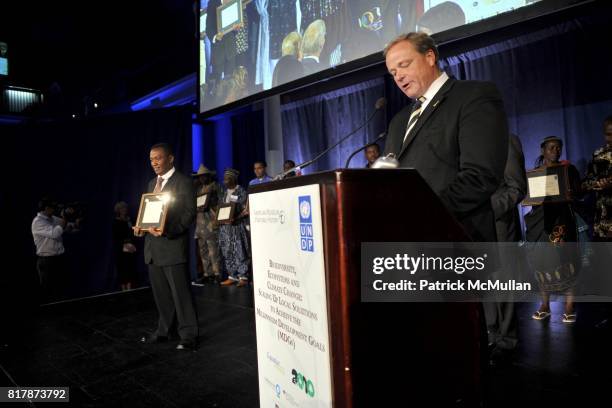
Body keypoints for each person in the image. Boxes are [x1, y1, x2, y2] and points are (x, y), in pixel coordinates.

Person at [383, 32, 508, 242]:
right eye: (393, 72)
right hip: (408, 250)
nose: (398, 77)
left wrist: (424, 216)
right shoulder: (399, 120)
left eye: (404, 65)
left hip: (457, 243)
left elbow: (480, 176)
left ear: (430, 57)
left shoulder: (473, 96)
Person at [133, 143, 198, 350]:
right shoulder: (152, 182)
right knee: (161, 295)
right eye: (152, 159)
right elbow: (149, 213)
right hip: (153, 249)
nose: (154, 163)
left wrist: (170, 230)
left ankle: (189, 335)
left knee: (181, 295)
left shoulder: (184, 182)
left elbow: (189, 213)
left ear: (170, 158)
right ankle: (165, 331)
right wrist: (141, 226)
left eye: (158, 158)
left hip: (172, 246)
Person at [525, 136, 582, 324]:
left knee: (567, 261)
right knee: (541, 263)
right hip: (540, 222)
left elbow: (577, 192)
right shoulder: (535, 173)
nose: (556, 151)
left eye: (558, 148)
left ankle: (569, 306)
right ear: (543, 150)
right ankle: (545, 305)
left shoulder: (568, 170)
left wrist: (571, 192)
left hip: (561, 222)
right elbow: (528, 196)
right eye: (551, 148)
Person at [485, 134, 527, 365]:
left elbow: (517, 188)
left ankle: (507, 340)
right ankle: (491, 334)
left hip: (499, 225)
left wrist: (488, 209)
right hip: (474, 225)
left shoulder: (507, 140)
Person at [31, 197, 75, 302]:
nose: (54, 210)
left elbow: (68, 226)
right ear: (46, 208)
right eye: (52, 208)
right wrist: (65, 218)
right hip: (47, 261)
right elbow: (55, 233)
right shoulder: (38, 222)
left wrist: (76, 222)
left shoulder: (53, 218)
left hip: (59, 258)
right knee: (48, 291)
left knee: (62, 289)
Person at [218, 168, 251, 287]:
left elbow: (244, 208)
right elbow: (221, 208)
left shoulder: (241, 191)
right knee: (227, 251)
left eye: (227, 179)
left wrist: (235, 217)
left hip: (237, 226)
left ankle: (243, 276)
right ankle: (232, 276)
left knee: (240, 250)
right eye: (224, 178)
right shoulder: (223, 192)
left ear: (233, 179)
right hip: (225, 228)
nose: (225, 181)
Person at [582, 115, 612, 240]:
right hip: (603, 221)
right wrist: (597, 184)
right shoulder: (598, 155)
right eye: (608, 134)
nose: (611, 138)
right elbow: (586, 183)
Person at [192, 164, 222, 284]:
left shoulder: (215, 187)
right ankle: (207, 273)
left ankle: (217, 273)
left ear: (209, 176)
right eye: (200, 177)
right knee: (203, 250)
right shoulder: (199, 189)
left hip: (210, 221)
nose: (202, 178)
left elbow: (221, 203)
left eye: (204, 176)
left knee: (213, 249)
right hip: (200, 223)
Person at [112, 201, 138, 291]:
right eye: (122, 208)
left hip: (130, 247)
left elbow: (133, 233)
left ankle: (129, 288)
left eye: (125, 208)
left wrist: (131, 244)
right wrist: (124, 245)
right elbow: (115, 237)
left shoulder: (130, 220)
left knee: (130, 267)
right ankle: (123, 290)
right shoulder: (116, 222)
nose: (124, 210)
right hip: (121, 249)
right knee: (122, 269)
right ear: (118, 210)